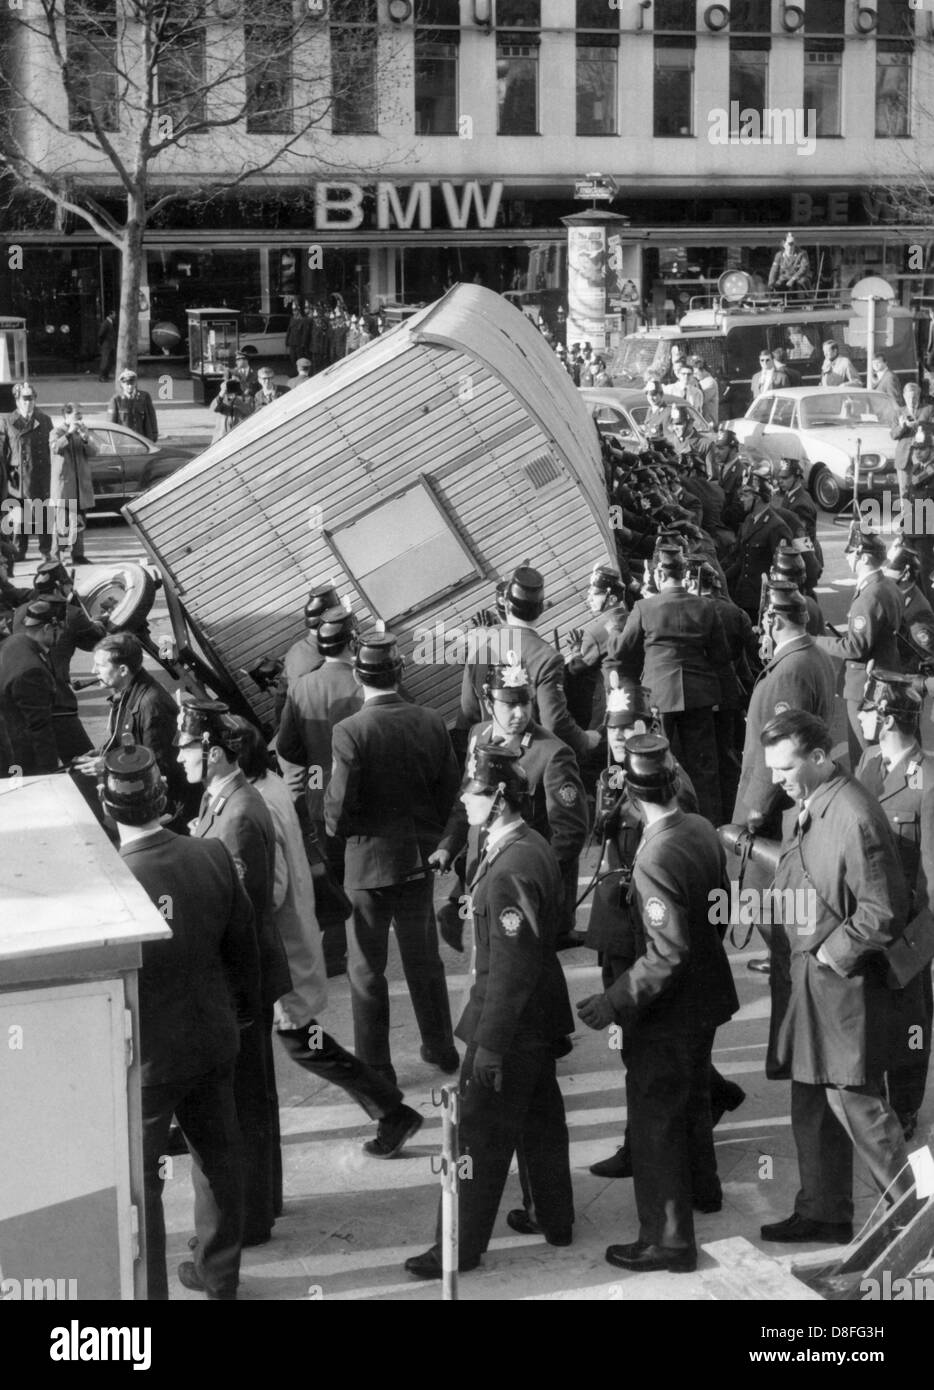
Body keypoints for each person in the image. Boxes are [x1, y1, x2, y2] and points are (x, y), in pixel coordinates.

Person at [405, 745, 574, 1279]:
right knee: (540, 1118)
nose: (463, 799)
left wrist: (492, 1045)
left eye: (473, 792)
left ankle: (456, 1247)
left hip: (511, 1020)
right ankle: (554, 1217)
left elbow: (512, 966)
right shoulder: (525, 844)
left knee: (475, 1134)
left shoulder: (511, 867)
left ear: (499, 798)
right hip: (539, 1013)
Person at [577, 733, 739, 1273]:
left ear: (630, 796)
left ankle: (667, 1241)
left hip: (668, 1009)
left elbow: (666, 952)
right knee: (691, 1097)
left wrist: (613, 1000)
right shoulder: (701, 830)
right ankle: (704, 1190)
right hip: (707, 996)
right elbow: (720, 910)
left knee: (654, 1121)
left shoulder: (653, 854)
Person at [103, 737, 255, 1301]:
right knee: (218, 1157)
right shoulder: (210, 855)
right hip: (212, 1041)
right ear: (162, 796)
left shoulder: (112, 882)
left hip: (145, 1061)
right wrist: (239, 1020)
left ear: (107, 806)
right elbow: (246, 952)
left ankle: (150, 1294)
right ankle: (220, 1277)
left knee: (141, 1184)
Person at [758, 710, 914, 1245]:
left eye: (786, 767)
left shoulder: (853, 814)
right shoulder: (810, 803)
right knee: (811, 1099)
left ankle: (918, 1223)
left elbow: (883, 910)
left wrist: (831, 955)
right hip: (808, 989)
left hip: (844, 994)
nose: (776, 779)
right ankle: (823, 1210)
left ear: (820, 757)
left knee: (859, 1107)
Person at [235, 719, 424, 1159]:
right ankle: (389, 1109)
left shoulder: (254, 803)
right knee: (304, 1040)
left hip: (278, 950)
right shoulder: (272, 786)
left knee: (303, 1041)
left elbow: (272, 886)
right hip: (292, 939)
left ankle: (391, 1110)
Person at [178, 699, 292, 1248]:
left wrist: (238, 994)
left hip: (241, 978)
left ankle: (251, 1219)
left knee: (245, 1102)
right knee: (253, 1095)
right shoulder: (223, 798)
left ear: (216, 753)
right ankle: (262, 1203)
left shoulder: (241, 813)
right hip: (242, 976)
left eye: (186, 750)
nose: (179, 760)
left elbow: (242, 912)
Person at [324, 633, 460, 1082]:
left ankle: (378, 1068)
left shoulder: (349, 731)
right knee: (424, 961)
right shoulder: (430, 721)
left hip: (365, 867)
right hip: (418, 861)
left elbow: (338, 810)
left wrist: (328, 824)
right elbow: (449, 795)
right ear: (399, 673)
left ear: (358, 677)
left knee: (366, 970)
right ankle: (441, 1048)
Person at [433, 654, 588, 950]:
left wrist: (534, 878)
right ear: (490, 704)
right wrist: (447, 846)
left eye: (525, 702)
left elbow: (569, 835)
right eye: (509, 704)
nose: (519, 713)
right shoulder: (480, 736)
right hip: (482, 876)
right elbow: (466, 799)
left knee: (518, 970)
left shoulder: (552, 754)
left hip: (525, 886)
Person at [732, 583, 837, 976]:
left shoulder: (789, 672)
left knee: (760, 885)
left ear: (774, 620)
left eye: (765, 618)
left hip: (778, 801)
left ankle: (785, 959)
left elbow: (780, 748)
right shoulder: (812, 654)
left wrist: (756, 807)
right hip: (797, 793)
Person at [854, 672, 933, 1142]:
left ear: (885, 719)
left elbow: (932, 878)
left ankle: (905, 1104)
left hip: (908, 934)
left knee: (911, 1025)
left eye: (868, 710)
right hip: (871, 921)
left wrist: (913, 947)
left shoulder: (927, 780)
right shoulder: (867, 765)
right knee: (875, 1019)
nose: (861, 716)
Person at [609, 543, 732, 825]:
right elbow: (721, 655)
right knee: (704, 766)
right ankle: (709, 825)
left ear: (659, 576)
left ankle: (665, 821)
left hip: (658, 697)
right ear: (682, 574)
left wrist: (614, 629)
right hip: (699, 696)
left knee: (660, 761)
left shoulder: (644, 607)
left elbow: (621, 651)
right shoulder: (705, 607)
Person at [276, 605, 362, 975]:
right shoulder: (363, 684)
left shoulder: (302, 686)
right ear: (352, 641)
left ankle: (333, 949)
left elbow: (286, 747)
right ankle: (356, 946)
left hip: (316, 791)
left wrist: (315, 763)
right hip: (358, 793)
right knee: (358, 873)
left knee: (329, 870)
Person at [460, 565, 601, 766]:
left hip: (490, 758)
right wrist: (587, 739)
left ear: (507, 605)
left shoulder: (480, 645)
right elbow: (555, 724)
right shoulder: (548, 658)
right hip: (532, 764)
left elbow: (469, 710)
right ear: (540, 608)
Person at [74, 631, 189, 823]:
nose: (94, 671)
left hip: (162, 813)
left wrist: (108, 767)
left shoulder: (152, 706)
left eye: (100, 665)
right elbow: (127, 742)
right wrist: (103, 754)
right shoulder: (128, 692)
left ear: (123, 670)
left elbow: (161, 767)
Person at [815, 527, 902, 767]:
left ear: (863, 557)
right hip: (884, 675)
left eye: (852, 553)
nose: (847, 557)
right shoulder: (889, 587)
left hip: (863, 685)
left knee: (864, 755)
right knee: (880, 747)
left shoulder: (869, 596)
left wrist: (816, 641)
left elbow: (856, 647)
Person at [13, 559, 104, 764]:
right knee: (85, 764)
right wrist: (99, 622)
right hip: (58, 702)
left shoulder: (21, 611)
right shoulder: (71, 613)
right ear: (59, 587)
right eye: (67, 584)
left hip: (23, 707)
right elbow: (97, 642)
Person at [724, 463, 794, 623]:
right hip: (742, 596)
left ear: (759, 498)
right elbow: (740, 560)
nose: (740, 499)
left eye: (745, 495)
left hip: (763, 602)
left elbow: (784, 572)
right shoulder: (749, 520)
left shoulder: (776, 527)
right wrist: (721, 576)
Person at [0, 599, 62, 775]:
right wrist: (49, 773)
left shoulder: (16, 641)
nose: (62, 634)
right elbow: (39, 729)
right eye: (60, 629)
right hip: (19, 761)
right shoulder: (32, 671)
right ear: (47, 628)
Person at [563, 563, 629, 730]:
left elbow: (576, 668)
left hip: (608, 696)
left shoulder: (595, 632)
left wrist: (577, 650)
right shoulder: (630, 617)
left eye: (594, 595)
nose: (589, 599)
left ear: (612, 599)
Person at [0, 382, 54, 560]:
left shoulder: (44, 420)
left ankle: (46, 552)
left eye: (32, 398)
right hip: (17, 479)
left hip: (40, 476)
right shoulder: (8, 421)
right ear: (17, 400)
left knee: (43, 516)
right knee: (18, 519)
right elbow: (3, 451)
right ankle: (18, 552)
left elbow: (51, 449)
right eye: (25, 398)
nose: (29, 402)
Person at [50, 404, 97, 563]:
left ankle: (78, 555)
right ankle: (57, 556)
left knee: (79, 523)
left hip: (80, 487)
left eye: (80, 414)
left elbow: (94, 452)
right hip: (64, 487)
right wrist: (69, 434)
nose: (80, 418)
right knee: (62, 525)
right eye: (77, 414)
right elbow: (55, 448)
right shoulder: (56, 432)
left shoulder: (80, 433)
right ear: (67, 416)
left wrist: (85, 437)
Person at [109, 368, 158, 442]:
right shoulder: (116, 399)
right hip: (124, 440)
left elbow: (151, 417)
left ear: (135, 383)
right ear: (122, 385)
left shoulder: (144, 397)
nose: (130, 387)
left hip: (142, 439)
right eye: (127, 384)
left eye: (132, 384)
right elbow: (111, 422)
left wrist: (154, 433)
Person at [210, 376, 252, 444]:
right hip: (220, 439)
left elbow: (249, 413)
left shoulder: (247, 400)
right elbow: (213, 408)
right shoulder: (222, 401)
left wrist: (237, 399)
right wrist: (222, 392)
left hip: (237, 439)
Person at [97, 310, 117, 380]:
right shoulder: (106, 323)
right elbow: (101, 334)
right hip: (106, 345)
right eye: (114, 314)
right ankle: (102, 376)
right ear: (110, 314)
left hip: (110, 345)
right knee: (105, 361)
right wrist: (102, 343)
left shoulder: (110, 323)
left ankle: (105, 375)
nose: (115, 316)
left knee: (110, 361)